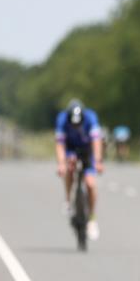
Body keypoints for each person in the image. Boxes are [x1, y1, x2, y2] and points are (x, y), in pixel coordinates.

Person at [55, 100, 104, 240]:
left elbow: (96, 141)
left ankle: (92, 219)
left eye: (78, 124)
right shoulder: (62, 120)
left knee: (90, 184)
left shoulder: (91, 117)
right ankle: (68, 200)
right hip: (70, 149)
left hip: (87, 150)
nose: (76, 126)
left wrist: (98, 161)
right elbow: (59, 145)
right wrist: (61, 163)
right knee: (69, 170)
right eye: (73, 124)